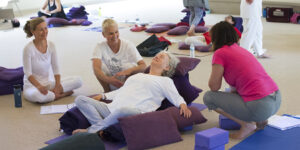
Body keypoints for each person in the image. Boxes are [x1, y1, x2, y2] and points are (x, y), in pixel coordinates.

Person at [73, 51, 192, 134]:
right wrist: (103, 95)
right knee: (80, 99)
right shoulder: (138, 75)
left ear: (167, 67)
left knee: (123, 110)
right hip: (110, 109)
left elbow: (176, 96)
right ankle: (102, 129)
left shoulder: (165, 81)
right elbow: (121, 91)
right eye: (157, 54)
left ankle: (91, 130)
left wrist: (183, 105)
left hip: (133, 112)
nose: (157, 56)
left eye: (161, 57)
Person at [203, 21, 281, 139]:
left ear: (215, 38)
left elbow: (214, 87)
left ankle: (247, 125)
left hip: (261, 106)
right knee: (235, 91)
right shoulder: (241, 50)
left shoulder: (220, 53)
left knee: (208, 97)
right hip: (276, 100)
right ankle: (261, 120)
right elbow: (238, 85)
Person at [23, 17, 82, 103]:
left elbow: (56, 68)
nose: (45, 32)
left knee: (78, 81)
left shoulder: (51, 45)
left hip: (49, 83)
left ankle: (54, 94)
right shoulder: (28, 49)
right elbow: (28, 73)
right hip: (33, 87)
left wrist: (58, 85)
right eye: (41, 30)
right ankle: (60, 95)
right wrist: (39, 87)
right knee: (39, 97)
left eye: (46, 28)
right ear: (33, 31)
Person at [92, 19, 146, 92]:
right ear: (104, 34)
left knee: (128, 66)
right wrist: (109, 80)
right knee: (99, 68)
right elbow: (96, 69)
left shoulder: (128, 45)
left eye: (116, 32)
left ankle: (128, 91)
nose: (115, 36)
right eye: (111, 33)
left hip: (128, 82)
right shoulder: (99, 46)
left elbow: (143, 66)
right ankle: (107, 92)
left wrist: (129, 71)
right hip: (111, 81)